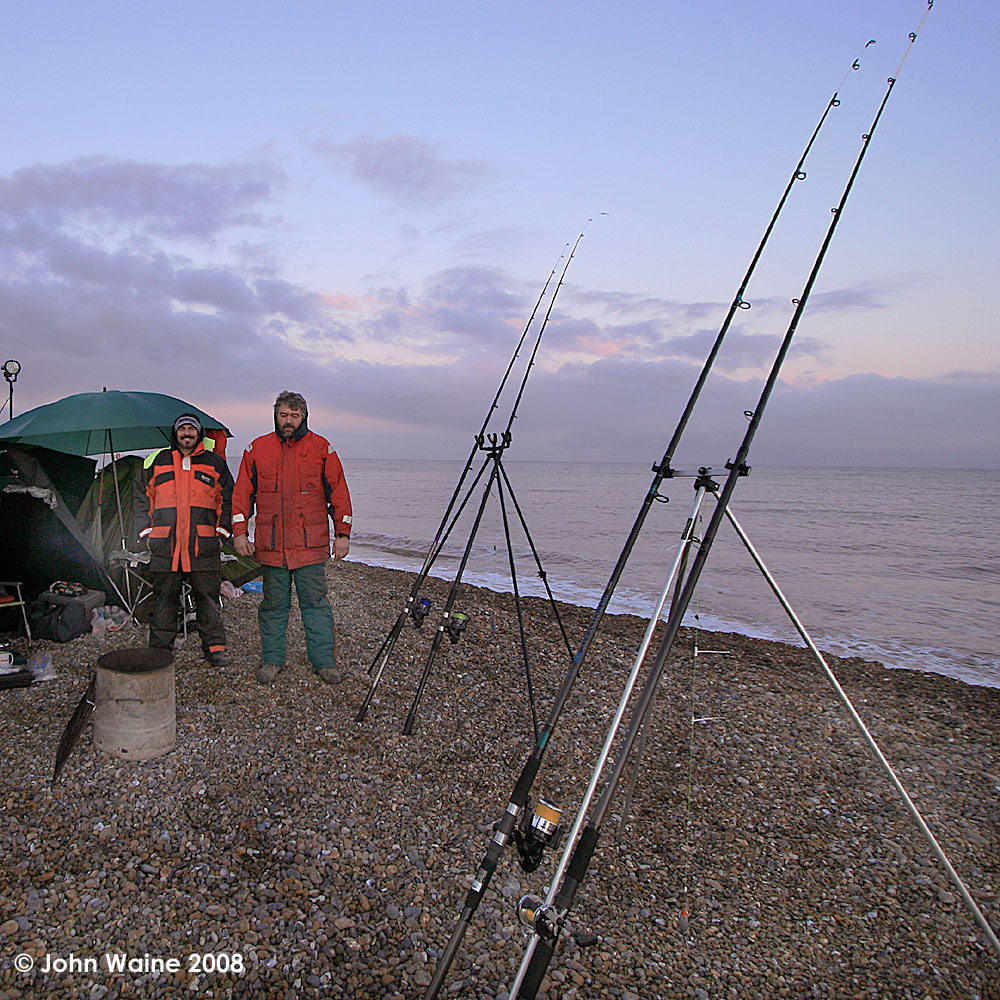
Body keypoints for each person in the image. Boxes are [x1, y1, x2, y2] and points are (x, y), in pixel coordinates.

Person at [232, 391, 352, 685]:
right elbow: (241, 495)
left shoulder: (322, 448)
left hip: (310, 547)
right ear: (275, 415)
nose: (288, 421)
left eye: (294, 416)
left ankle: (324, 662)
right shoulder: (256, 449)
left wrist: (343, 535)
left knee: (316, 605)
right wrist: (238, 532)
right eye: (283, 415)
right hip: (271, 547)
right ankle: (272, 660)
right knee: (273, 607)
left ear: (304, 417)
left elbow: (339, 493)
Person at [134, 413, 234, 666]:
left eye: (191, 429)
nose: (187, 433)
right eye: (182, 429)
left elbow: (229, 499)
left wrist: (222, 533)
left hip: (203, 546)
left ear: (198, 433)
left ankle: (215, 648)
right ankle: (160, 651)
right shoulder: (157, 461)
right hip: (165, 545)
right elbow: (141, 498)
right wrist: (146, 532)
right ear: (175, 433)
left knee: (208, 599)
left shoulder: (215, 463)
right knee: (164, 600)